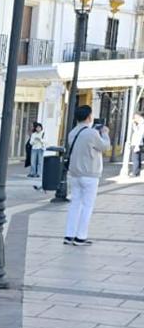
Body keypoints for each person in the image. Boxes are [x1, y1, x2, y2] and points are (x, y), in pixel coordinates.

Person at [63, 105, 111, 247]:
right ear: (89, 117)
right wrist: (105, 133)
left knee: (75, 204)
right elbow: (105, 147)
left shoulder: (72, 133)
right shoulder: (91, 133)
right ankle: (80, 237)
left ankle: (69, 235)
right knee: (87, 206)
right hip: (90, 174)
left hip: (75, 174)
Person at [127, 111, 144, 177]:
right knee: (138, 159)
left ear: (139, 117)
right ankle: (137, 172)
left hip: (137, 143)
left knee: (135, 159)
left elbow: (140, 135)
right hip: (139, 143)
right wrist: (134, 125)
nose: (135, 119)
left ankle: (135, 172)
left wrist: (137, 146)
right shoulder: (140, 124)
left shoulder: (142, 125)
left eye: (135, 117)